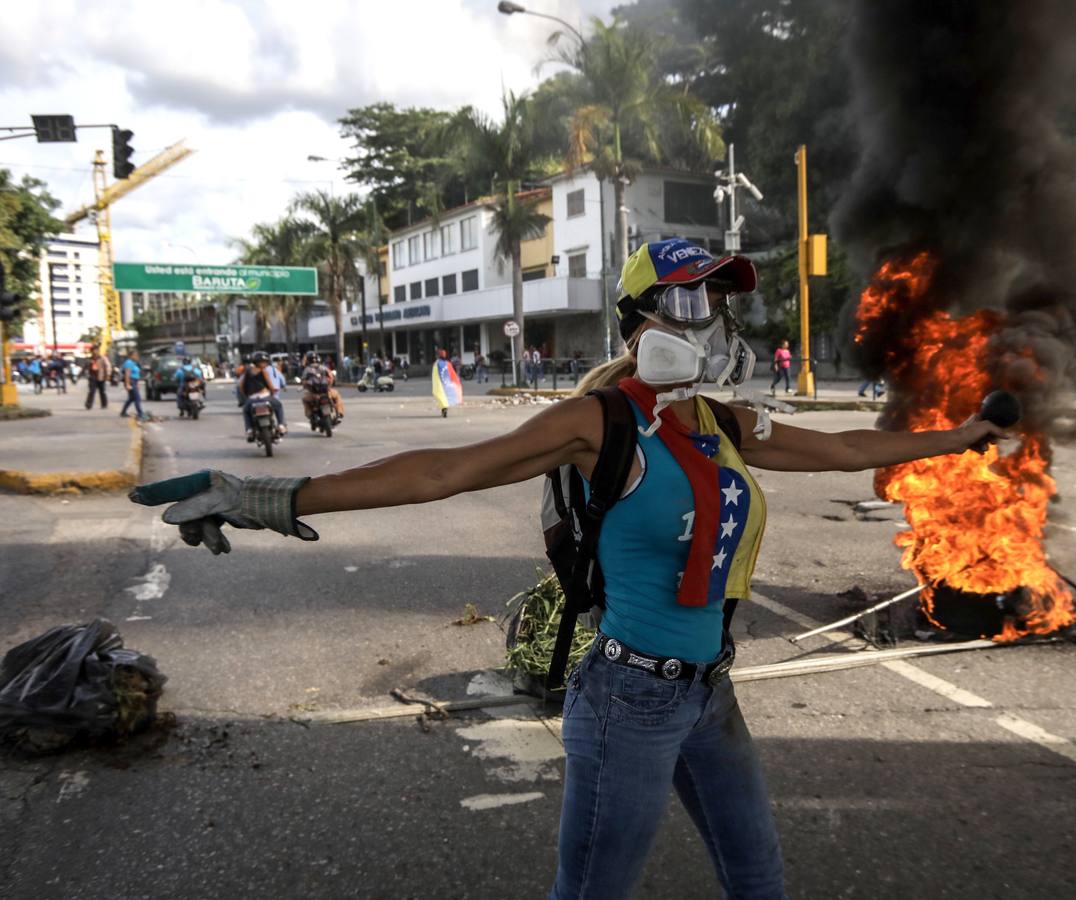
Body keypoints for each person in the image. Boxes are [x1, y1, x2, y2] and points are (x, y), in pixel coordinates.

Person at [128, 237, 1010, 899]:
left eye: (716, 305)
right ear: (639, 321)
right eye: (685, 302)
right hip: (627, 700)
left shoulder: (723, 423)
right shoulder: (599, 421)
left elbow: (849, 444)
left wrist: (965, 434)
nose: (706, 322)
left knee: (760, 880)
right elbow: (443, 471)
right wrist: (265, 498)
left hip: (709, 692)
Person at [236, 351, 287, 441]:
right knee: (278, 406)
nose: (265, 364)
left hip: (252, 399)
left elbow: (241, 386)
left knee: (246, 411)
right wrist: (274, 390)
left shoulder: (247, 372)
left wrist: (247, 395)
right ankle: (281, 425)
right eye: (263, 362)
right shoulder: (264, 372)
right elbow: (270, 386)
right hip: (265, 397)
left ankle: (249, 430)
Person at [300, 351, 344, 422]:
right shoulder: (324, 368)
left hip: (313, 395)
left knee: (305, 400)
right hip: (327, 393)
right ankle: (339, 412)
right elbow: (331, 377)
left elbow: (304, 381)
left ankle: (310, 415)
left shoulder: (307, 370)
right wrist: (329, 385)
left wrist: (305, 385)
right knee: (337, 396)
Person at [431, 348, 463, 417]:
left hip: (440, 385)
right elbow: (452, 374)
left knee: (442, 397)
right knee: (446, 396)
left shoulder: (436, 364)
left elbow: (434, 376)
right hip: (447, 384)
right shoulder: (448, 363)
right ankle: (445, 409)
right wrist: (456, 381)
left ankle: (444, 409)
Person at [119, 349, 146, 420]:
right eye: (135, 355)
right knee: (137, 398)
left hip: (134, 381)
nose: (137, 357)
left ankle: (123, 412)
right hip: (131, 381)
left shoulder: (134, 363)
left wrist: (137, 383)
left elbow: (137, 373)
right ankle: (140, 413)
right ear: (131, 356)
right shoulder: (129, 363)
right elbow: (127, 374)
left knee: (131, 398)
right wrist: (127, 384)